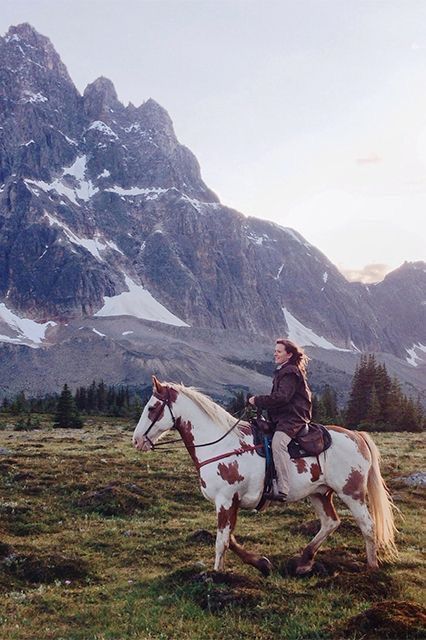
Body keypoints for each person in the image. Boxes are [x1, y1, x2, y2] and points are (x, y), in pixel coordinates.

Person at [248, 339, 312, 501]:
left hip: (293, 417)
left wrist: (258, 400)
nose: (275, 353)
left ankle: (283, 488)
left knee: (278, 443)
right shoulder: (284, 371)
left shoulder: (290, 372)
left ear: (289, 354)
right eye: (275, 351)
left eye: (279, 351)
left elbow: (282, 398)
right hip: (283, 417)